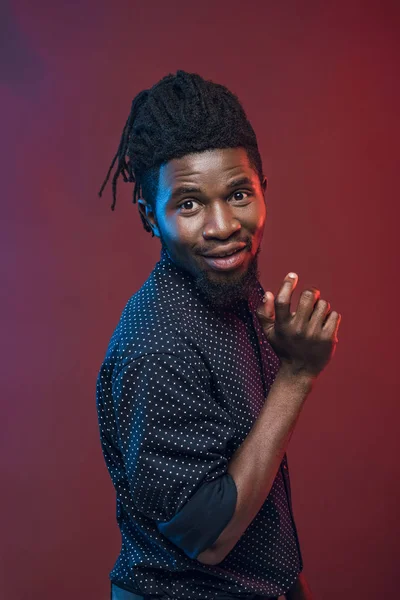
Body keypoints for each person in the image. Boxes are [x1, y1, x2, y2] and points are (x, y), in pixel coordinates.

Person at [96, 70, 341, 600]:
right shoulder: (156, 343)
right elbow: (207, 536)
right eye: (188, 204)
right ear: (150, 218)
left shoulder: (236, 295)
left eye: (237, 194)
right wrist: (296, 376)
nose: (222, 224)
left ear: (263, 191)